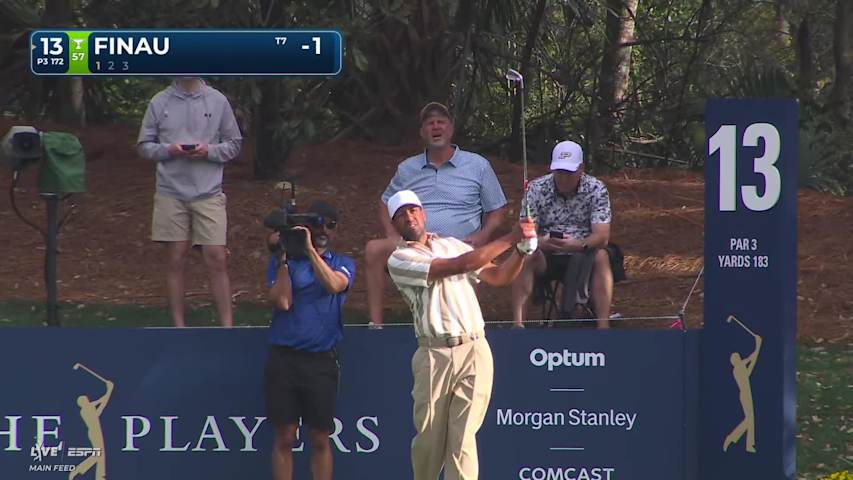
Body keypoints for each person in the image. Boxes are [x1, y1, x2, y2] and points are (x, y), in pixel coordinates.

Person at [385, 190, 536, 480]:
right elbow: (459, 266)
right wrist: (509, 238)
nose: (409, 216)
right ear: (395, 223)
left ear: (423, 213)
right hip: (434, 354)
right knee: (429, 441)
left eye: (413, 210)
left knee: (463, 438)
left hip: (474, 348)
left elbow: (499, 276)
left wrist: (520, 251)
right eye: (401, 214)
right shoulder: (399, 259)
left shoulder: (452, 245)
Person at [365, 102, 508, 328]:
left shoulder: (477, 165)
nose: (436, 127)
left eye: (441, 122)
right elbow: (385, 202)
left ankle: (464, 326)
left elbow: (498, 208)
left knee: (471, 258)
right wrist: (392, 234)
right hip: (416, 243)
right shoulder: (407, 168)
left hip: (461, 243)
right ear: (422, 132)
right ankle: (376, 325)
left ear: (451, 128)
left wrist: (484, 234)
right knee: (374, 249)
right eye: (430, 123)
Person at [137, 77, 242, 327]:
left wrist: (209, 151)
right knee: (175, 257)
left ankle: (227, 326)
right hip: (170, 191)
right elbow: (144, 146)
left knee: (216, 257)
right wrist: (168, 150)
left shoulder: (217, 100)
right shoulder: (159, 101)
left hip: (209, 192)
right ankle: (179, 326)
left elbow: (234, 144)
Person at [264, 200, 355, 480]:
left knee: (319, 438)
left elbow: (333, 285)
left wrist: (311, 251)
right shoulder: (285, 263)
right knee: (285, 436)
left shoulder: (343, 263)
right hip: (285, 359)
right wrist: (283, 257)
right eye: (318, 224)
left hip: (321, 360)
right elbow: (282, 301)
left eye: (330, 224)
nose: (324, 229)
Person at [510, 140, 613, 329]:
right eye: (559, 172)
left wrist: (578, 244)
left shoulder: (596, 189)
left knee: (601, 256)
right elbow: (524, 232)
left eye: (569, 173)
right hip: (546, 253)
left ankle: (603, 327)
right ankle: (518, 325)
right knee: (524, 254)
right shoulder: (536, 188)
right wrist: (541, 241)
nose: (563, 178)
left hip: (583, 251)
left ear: (581, 169)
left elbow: (602, 235)